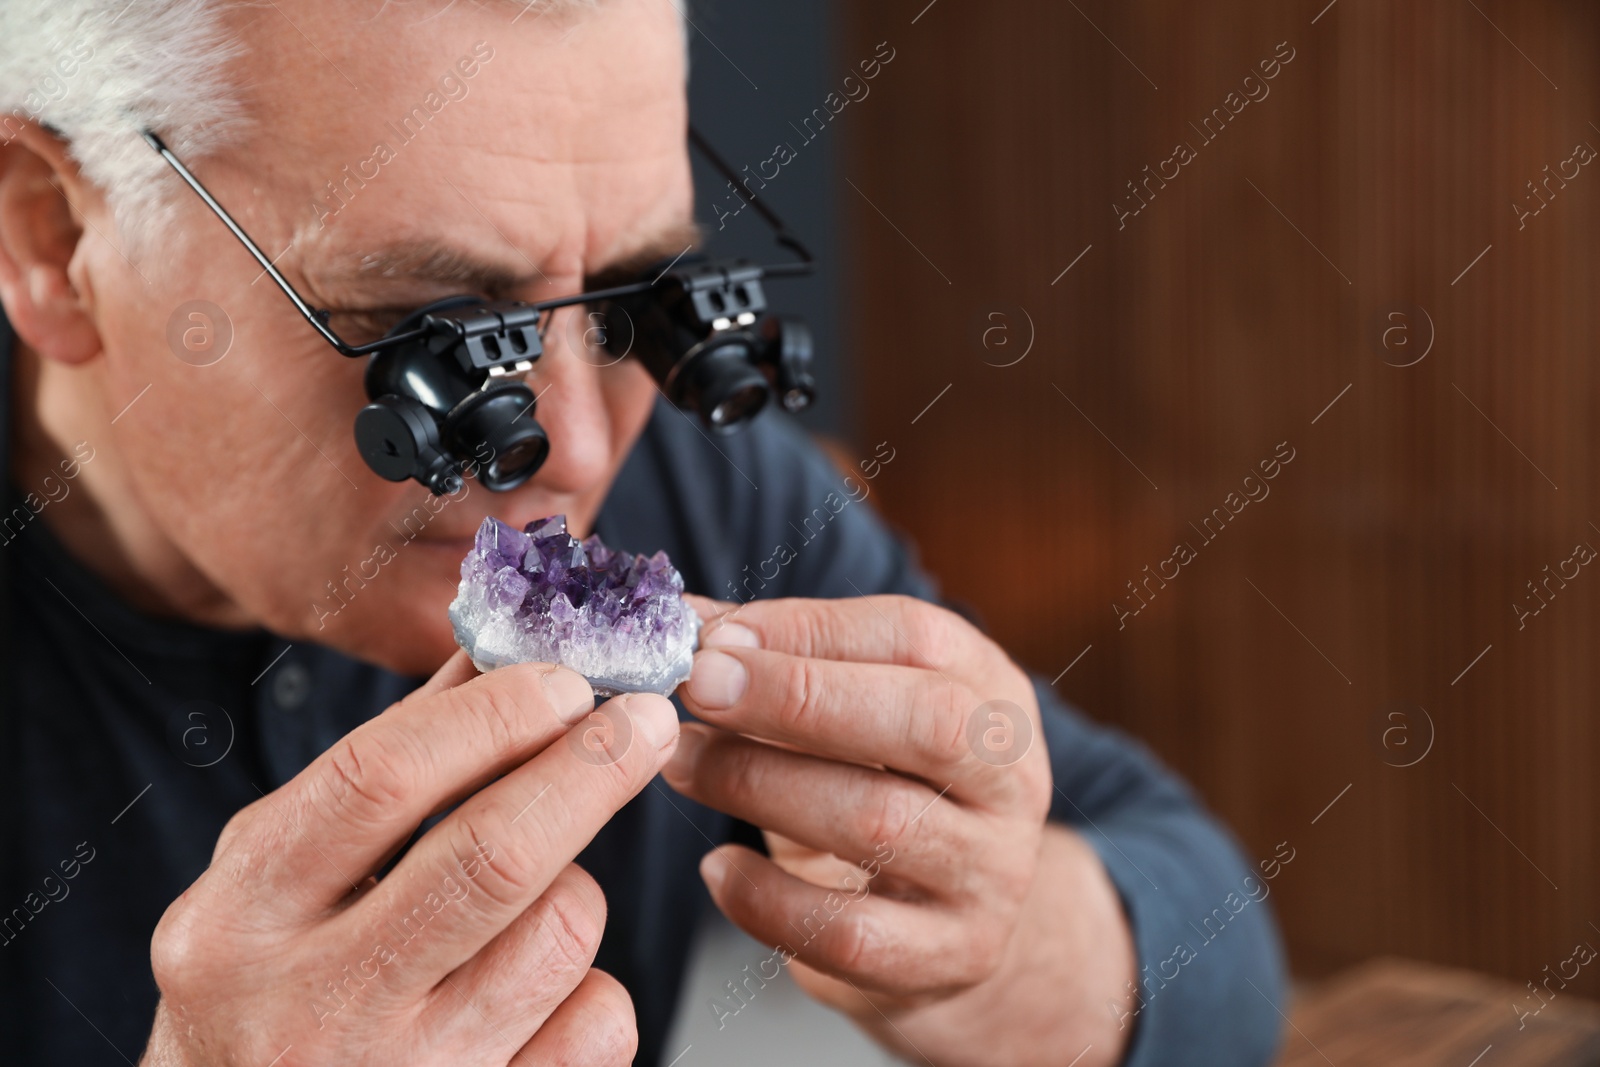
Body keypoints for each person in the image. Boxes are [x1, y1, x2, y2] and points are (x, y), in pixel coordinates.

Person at [0, 1, 1287, 1064]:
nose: (583, 450)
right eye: (438, 334)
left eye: (625, 304)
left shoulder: (713, 501)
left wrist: (990, 947)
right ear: (55, 242)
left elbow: (1220, 947)